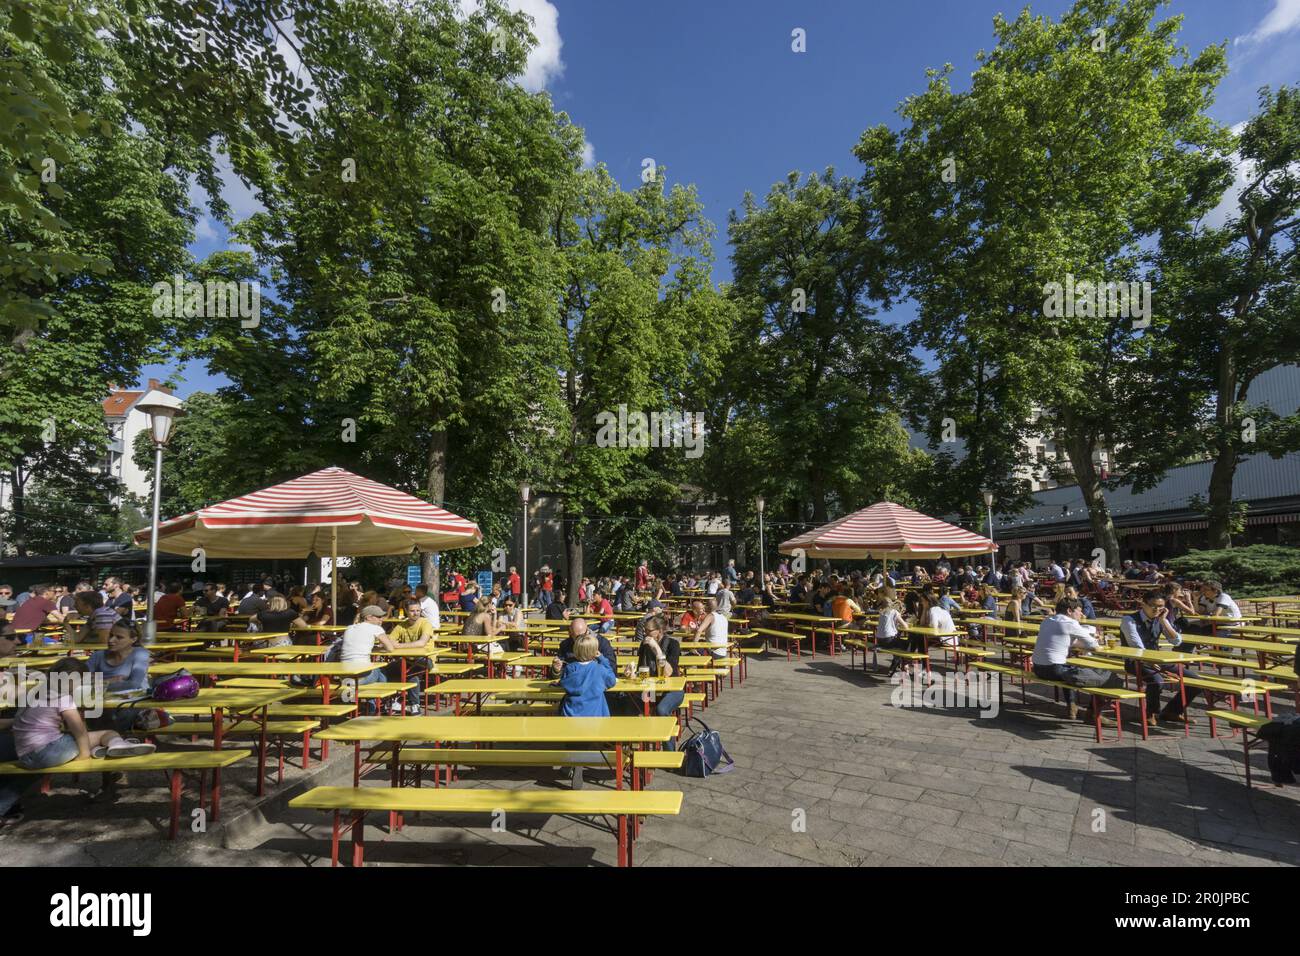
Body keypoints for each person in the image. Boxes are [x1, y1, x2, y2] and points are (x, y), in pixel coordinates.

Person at [12, 658, 155, 771]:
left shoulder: (36, 692)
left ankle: (105, 748)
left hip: (25, 755)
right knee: (107, 733)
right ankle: (118, 744)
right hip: (47, 753)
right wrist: (84, 754)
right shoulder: (63, 698)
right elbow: (79, 730)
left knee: (87, 739)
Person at [1030, 597, 1123, 721]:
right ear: (1070, 610)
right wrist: (1101, 645)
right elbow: (1093, 646)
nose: (1082, 614)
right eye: (1079, 611)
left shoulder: (1048, 621)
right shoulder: (1070, 623)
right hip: (1054, 669)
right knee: (1109, 678)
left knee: (1072, 672)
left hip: (1038, 668)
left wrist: (1088, 642)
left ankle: (1072, 708)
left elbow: (1071, 643)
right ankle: (1094, 713)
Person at [1119, 592, 1203, 726]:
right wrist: (1150, 662)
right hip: (1135, 661)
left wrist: (1164, 621)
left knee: (1197, 681)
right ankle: (1150, 713)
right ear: (1143, 604)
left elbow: (1176, 641)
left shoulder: (1160, 618)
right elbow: (1137, 646)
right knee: (1157, 681)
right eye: (1153, 606)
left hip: (1158, 660)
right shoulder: (1129, 620)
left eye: (1160, 606)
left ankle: (1172, 711)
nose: (1157, 609)